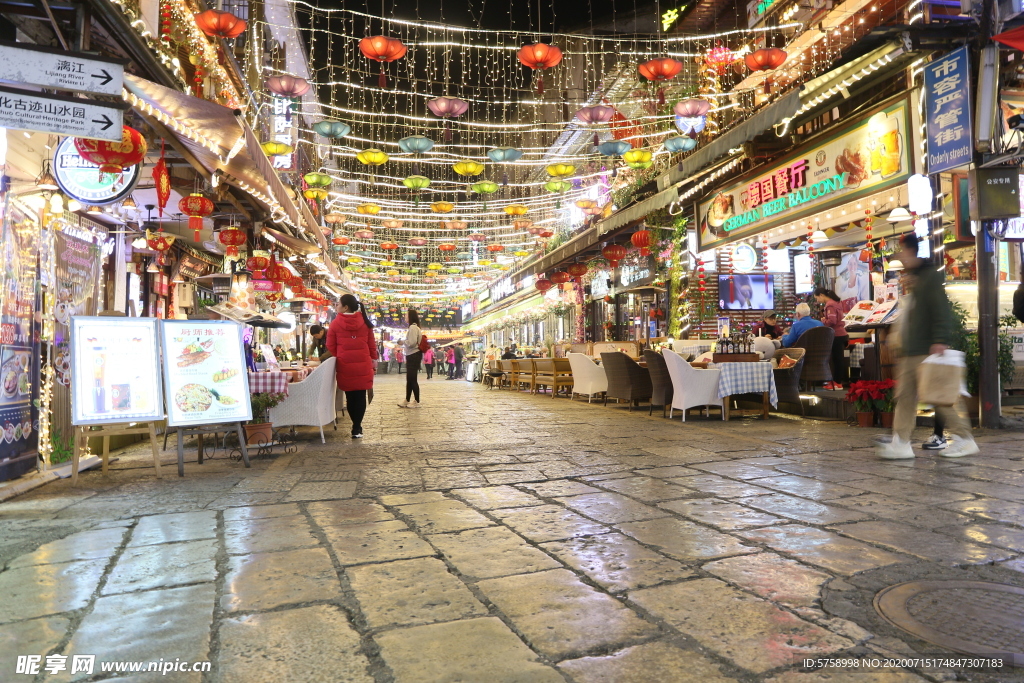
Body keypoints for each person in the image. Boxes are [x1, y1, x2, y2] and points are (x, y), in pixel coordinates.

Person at [877, 232, 978, 459]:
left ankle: (964, 438)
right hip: (911, 349)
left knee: (937, 395)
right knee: (905, 397)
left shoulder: (929, 276)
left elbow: (940, 308)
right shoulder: (914, 276)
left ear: (911, 250)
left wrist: (940, 339)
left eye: (901, 250)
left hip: (924, 348)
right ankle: (901, 442)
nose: (900, 256)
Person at [326, 294, 377, 438]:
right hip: (363, 364)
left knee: (350, 397)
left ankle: (355, 426)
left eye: (338, 304)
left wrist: (341, 354)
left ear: (345, 307)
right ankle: (357, 427)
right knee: (360, 396)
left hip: (345, 364)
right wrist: (373, 359)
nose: (336, 306)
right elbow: (372, 344)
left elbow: (330, 345)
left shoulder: (335, 323)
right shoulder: (365, 322)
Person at [814, 287, 849, 391]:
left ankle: (838, 383)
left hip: (836, 335)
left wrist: (823, 320)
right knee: (837, 359)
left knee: (837, 360)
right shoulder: (836, 303)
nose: (817, 301)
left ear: (821, 295)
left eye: (817, 298)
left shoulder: (830, 304)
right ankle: (835, 381)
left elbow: (832, 321)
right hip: (841, 334)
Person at [399, 310, 423, 408]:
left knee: (413, 379)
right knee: (409, 379)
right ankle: (407, 399)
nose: (405, 317)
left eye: (406, 315)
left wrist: (403, 342)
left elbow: (412, 343)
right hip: (412, 354)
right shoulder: (413, 327)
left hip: (414, 354)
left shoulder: (413, 327)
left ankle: (416, 401)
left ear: (410, 316)